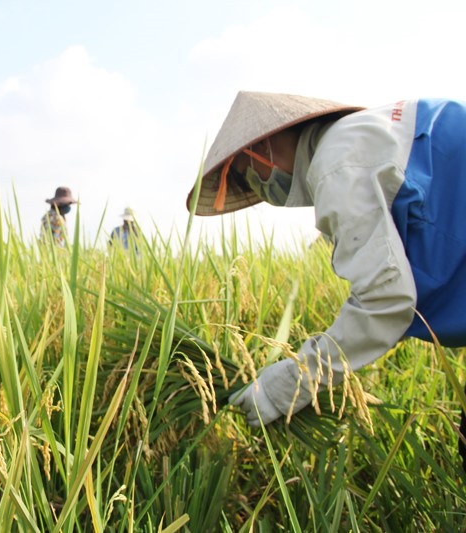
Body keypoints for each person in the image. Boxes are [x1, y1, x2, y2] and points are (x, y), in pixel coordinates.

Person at [185, 91, 466, 467]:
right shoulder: (370, 134)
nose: (257, 187)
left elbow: (384, 300)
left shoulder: (337, 163)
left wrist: (286, 384)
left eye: (247, 174)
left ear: (264, 146)